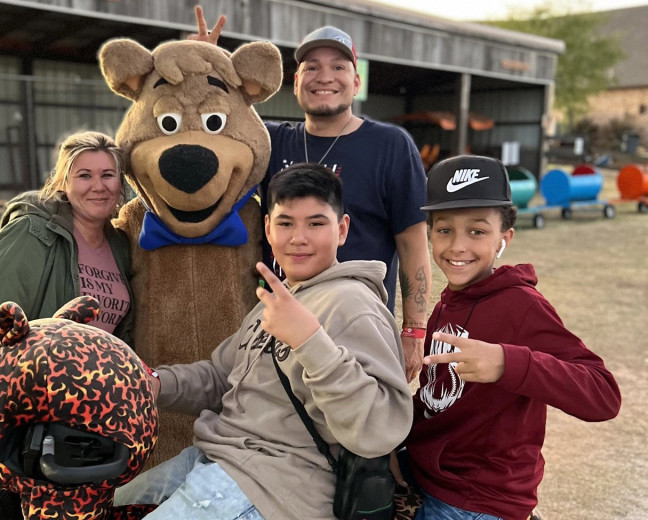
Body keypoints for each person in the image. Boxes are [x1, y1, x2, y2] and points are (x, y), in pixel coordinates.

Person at [111, 162, 412, 519]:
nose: (298, 238)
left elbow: (380, 427)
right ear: (267, 228)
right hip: (215, 457)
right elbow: (222, 376)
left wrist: (310, 340)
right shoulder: (279, 300)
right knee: (107, 503)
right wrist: (155, 383)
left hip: (276, 485)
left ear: (342, 229)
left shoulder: (352, 304)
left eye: (316, 223)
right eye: (285, 223)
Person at [191, 7, 431, 382]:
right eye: (312, 67)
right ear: (297, 80)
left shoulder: (390, 146)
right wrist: (202, 68)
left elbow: (413, 242)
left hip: (354, 325)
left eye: (338, 67)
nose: (325, 77)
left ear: (356, 82)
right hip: (278, 322)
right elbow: (205, 133)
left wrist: (414, 331)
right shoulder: (269, 140)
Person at [398, 155, 621, 520]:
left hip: (478, 504)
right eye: (444, 230)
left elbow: (604, 395)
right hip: (432, 480)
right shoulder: (448, 303)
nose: (457, 246)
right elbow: (438, 402)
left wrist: (507, 363)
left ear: (505, 238)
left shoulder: (522, 306)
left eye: (477, 231)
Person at [0, 130, 135, 520]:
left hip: (92, 407)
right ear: (63, 182)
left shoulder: (121, 243)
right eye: (84, 175)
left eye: (108, 175)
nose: (98, 186)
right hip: (33, 403)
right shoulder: (32, 232)